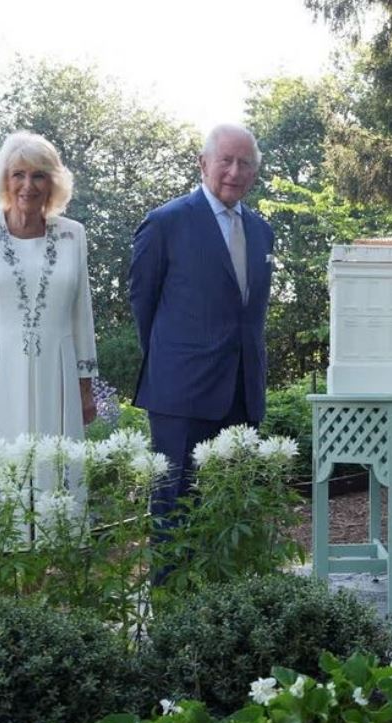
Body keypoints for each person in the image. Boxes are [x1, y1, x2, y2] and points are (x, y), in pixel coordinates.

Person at [0, 131, 98, 537]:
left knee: (55, 470)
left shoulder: (73, 234)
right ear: (4, 180)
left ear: (53, 183)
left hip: (56, 374)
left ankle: (53, 557)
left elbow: (82, 314)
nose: (28, 185)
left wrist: (85, 387)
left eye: (39, 175)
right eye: (18, 174)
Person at [128, 124, 274, 553]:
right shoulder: (165, 223)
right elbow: (144, 305)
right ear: (203, 163)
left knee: (233, 512)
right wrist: (174, 363)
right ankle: (171, 597)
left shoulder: (262, 231)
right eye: (226, 160)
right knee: (175, 512)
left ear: (254, 172)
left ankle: (228, 596)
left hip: (244, 394)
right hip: (181, 396)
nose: (235, 171)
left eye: (245, 163)